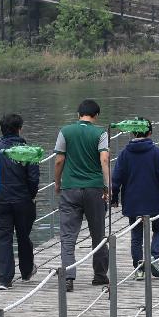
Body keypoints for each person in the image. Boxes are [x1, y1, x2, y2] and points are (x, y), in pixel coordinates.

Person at [0, 113, 39, 290]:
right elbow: (34, 178)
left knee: (3, 238)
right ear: (20, 129)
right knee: (23, 236)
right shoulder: (28, 151)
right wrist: (31, 195)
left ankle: (4, 279)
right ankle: (26, 271)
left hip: (1, 201)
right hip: (23, 200)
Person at [54, 99, 110, 292]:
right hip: (94, 188)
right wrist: (107, 185)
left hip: (70, 188)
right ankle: (100, 275)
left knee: (68, 236)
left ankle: (68, 276)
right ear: (96, 115)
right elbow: (104, 158)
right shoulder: (100, 132)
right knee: (98, 234)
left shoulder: (65, 131)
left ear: (78, 114)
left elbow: (59, 159)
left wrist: (58, 182)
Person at [111, 118, 159, 281]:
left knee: (136, 236)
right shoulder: (157, 153)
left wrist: (114, 197)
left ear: (132, 133)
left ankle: (139, 268)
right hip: (154, 201)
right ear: (150, 133)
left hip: (133, 201)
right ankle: (153, 257)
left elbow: (116, 178)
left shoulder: (124, 154)